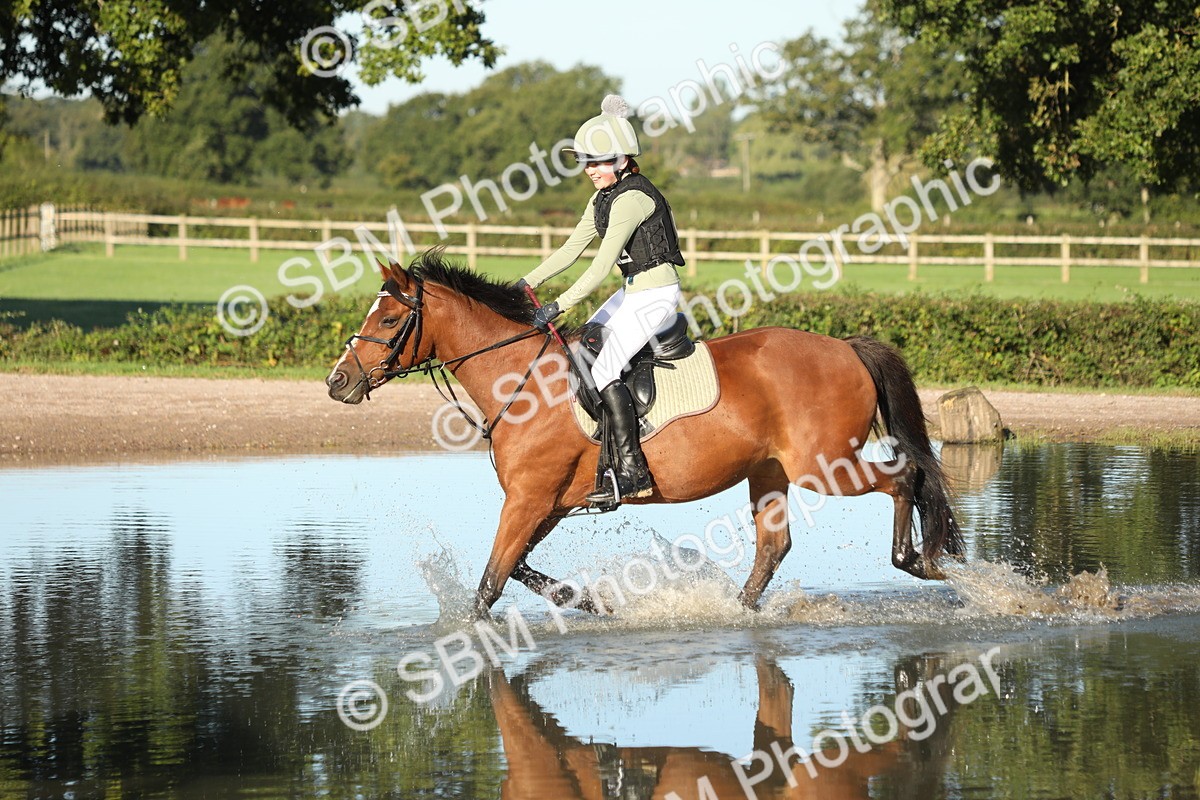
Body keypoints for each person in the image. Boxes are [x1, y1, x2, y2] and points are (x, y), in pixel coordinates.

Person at [517, 95, 686, 506]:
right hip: (632, 291)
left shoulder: (632, 199)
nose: (591, 170)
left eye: (598, 161)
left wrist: (560, 305)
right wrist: (524, 282)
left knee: (606, 366)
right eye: (586, 163)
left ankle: (633, 471)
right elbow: (571, 249)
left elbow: (600, 265)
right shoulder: (602, 199)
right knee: (585, 345)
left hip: (657, 293)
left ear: (623, 159)